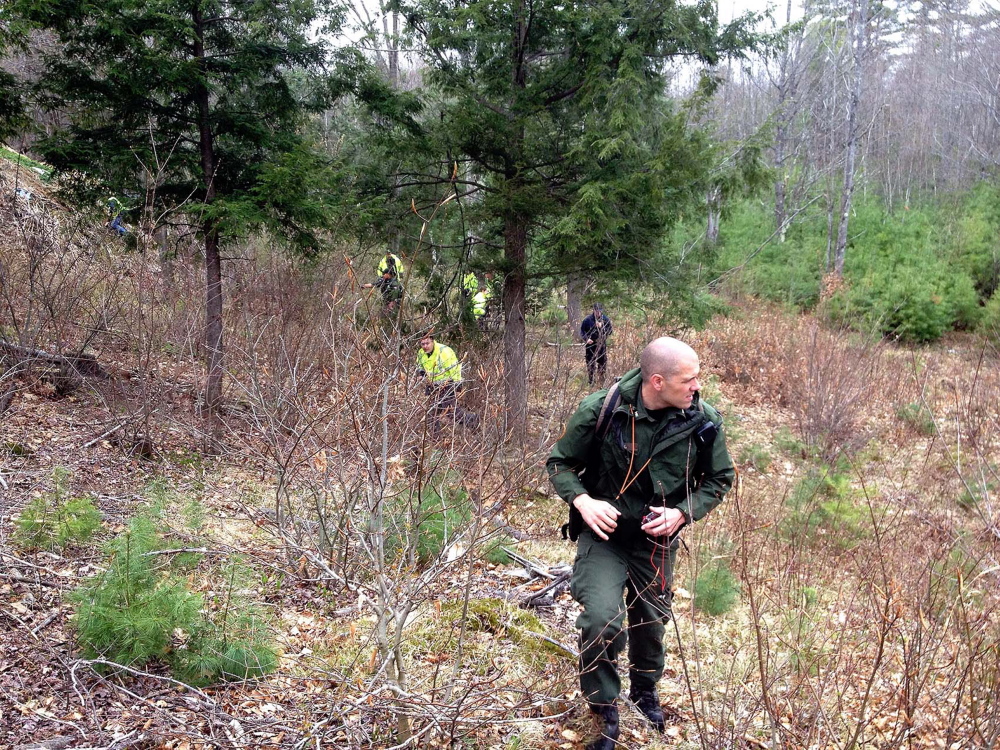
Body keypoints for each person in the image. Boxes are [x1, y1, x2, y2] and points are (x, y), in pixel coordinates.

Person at [546, 337, 735, 750]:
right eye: (689, 379)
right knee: (600, 619)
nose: (696, 387)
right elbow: (559, 463)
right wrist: (583, 500)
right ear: (656, 381)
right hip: (604, 537)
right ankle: (603, 709)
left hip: (656, 540)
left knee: (651, 622)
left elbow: (720, 479)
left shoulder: (702, 421)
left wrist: (682, 512)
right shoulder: (602, 410)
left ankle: (644, 690)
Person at [416, 333, 478, 432]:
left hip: (447, 385)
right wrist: (421, 375)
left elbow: (455, 369)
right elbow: (421, 367)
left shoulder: (444, 351)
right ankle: (435, 440)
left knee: (450, 413)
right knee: (432, 414)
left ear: (432, 341)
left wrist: (457, 386)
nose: (425, 346)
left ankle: (472, 420)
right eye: (422, 344)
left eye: (427, 343)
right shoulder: (421, 353)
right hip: (433, 386)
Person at [580, 303, 613, 385]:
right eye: (596, 311)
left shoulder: (605, 319)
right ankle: (591, 381)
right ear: (593, 310)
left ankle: (601, 381)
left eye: (600, 311)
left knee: (602, 362)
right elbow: (582, 331)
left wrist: (602, 327)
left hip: (601, 345)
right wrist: (586, 339)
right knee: (590, 363)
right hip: (590, 345)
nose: (598, 313)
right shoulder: (587, 320)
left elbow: (610, 331)